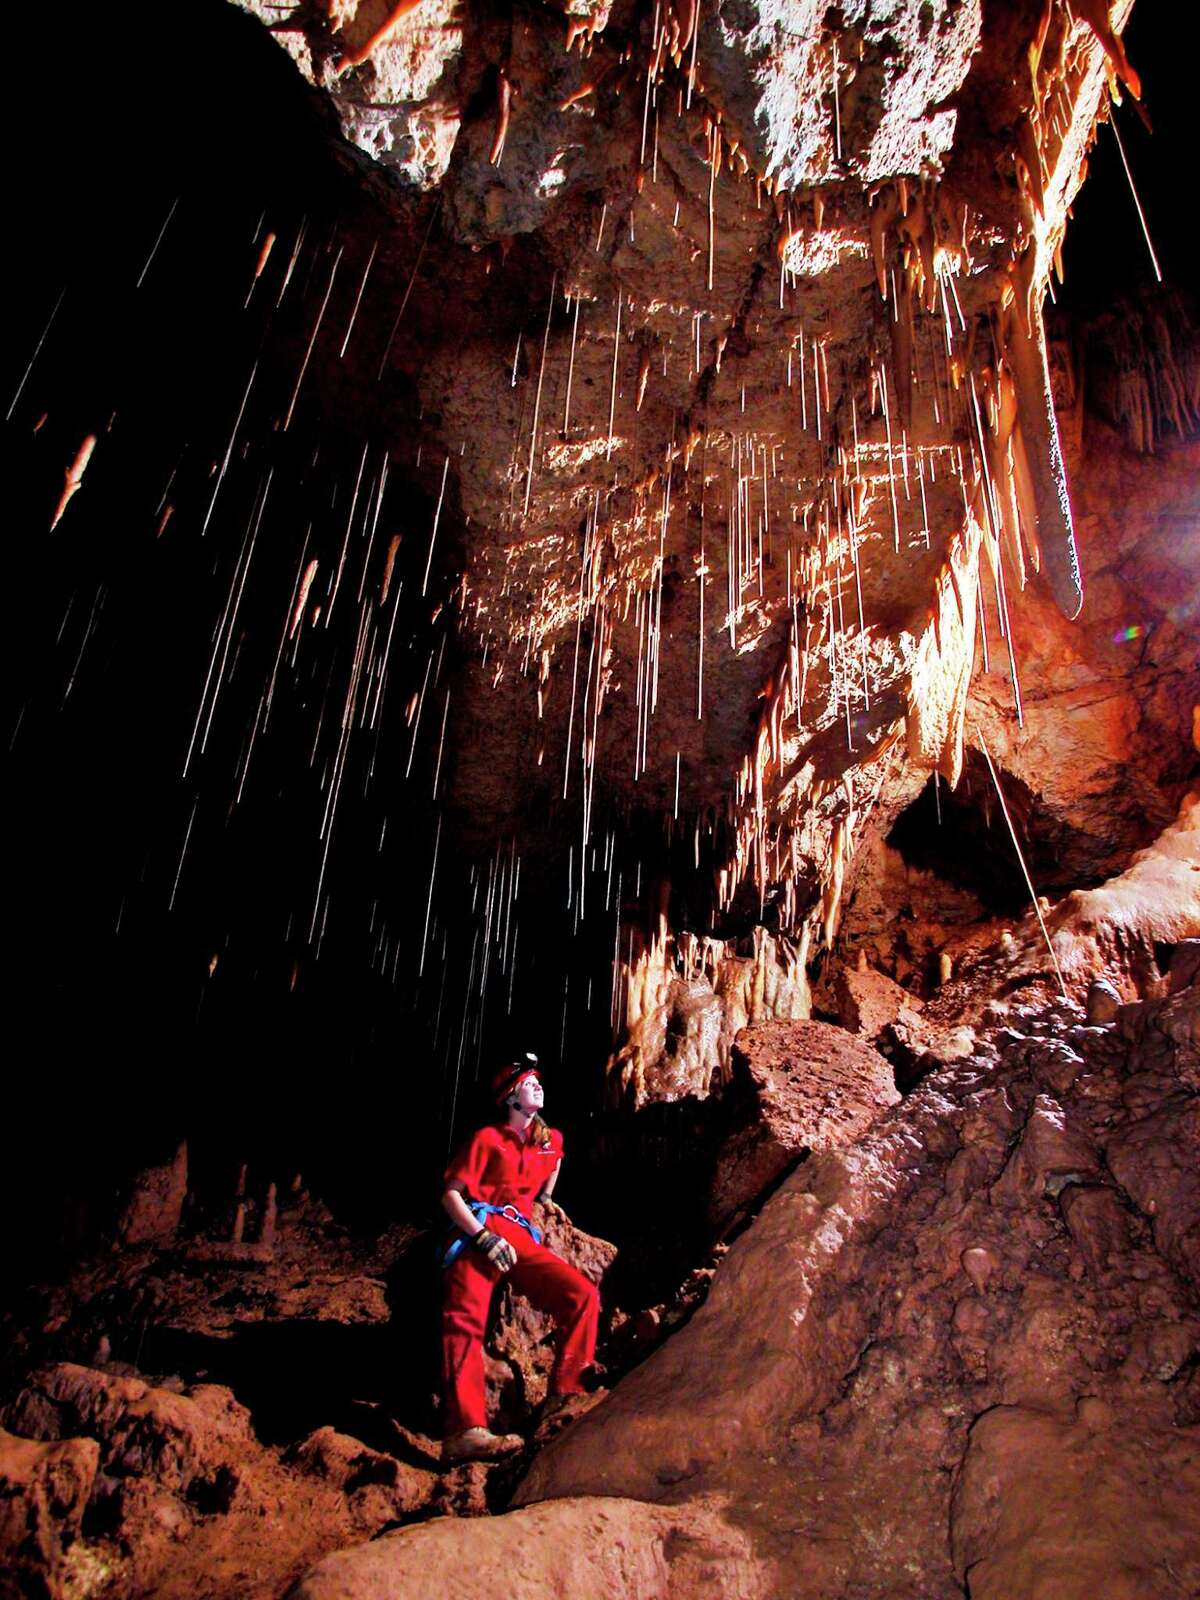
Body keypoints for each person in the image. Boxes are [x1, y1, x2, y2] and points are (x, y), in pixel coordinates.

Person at [439, 1054, 600, 1463]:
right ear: (511, 1098)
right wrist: (480, 1237)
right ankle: (465, 1430)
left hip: (521, 1235)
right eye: (530, 1084)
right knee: (464, 1320)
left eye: (538, 1083)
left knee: (581, 1296)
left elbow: (555, 1160)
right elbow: (451, 1194)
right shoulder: (487, 1140)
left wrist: (546, 1199)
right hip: (481, 1229)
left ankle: (565, 1393)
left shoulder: (547, 1140)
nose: (539, 1088)